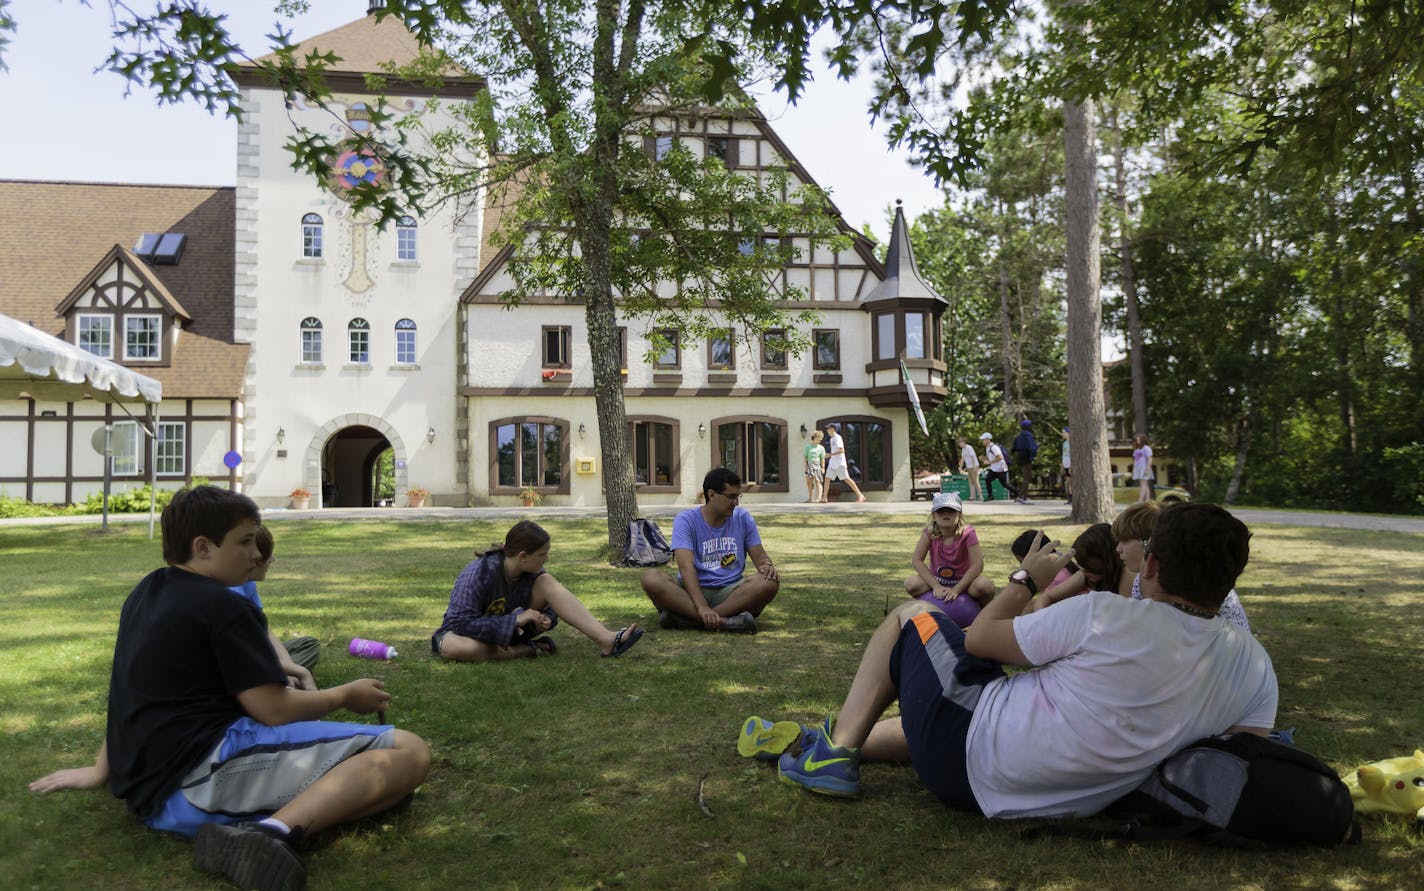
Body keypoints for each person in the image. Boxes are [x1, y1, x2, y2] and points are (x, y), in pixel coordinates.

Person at [742, 502, 1277, 817]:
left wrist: (1027, 580)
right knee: (950, 700)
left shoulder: (1105, 615)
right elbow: (1227, 756)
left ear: (1151, 564)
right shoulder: (1255, 668)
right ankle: (829, 737)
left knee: (912, 618)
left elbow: (979, 640)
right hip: (1062, 794)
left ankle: (832, 758)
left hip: (971, 759)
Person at [29, 486, 431, 891]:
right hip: (203, 776)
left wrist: (103, 769)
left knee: (384, 788)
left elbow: (131, 696)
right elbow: (272, 709)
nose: (258, 553)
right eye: (244, 542)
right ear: (203, 547)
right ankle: (267, 835)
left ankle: (282, 814)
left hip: (153, 798)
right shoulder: (224, 606)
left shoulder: (146, 592)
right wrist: (345, 695)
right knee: (408, 751)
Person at [433, 520, 644, 660]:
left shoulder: (535, 572)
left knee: (547, 581)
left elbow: (553, 606)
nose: (547, 559)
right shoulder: (478, 573)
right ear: (522, 556)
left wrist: (546, 618)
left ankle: (606, 640)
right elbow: (459, 623)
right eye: (542, 554)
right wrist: (515, 620)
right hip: (472, 637)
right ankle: (525, 650)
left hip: (511, 634)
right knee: (450, 646)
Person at [641, 467, 779, 633]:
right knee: (651, 578)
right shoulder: (685, 520)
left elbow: (761, 557)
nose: (736, 502)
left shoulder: (743, 517)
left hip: (731, 593)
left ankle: (689, 620)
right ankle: (727, 622)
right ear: (712, 495)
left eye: (738, 496)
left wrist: (766, 566)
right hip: (690, 593)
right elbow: (686, 567)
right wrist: (702, 607)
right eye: (731, 497)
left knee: (769, 582)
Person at [1113, 502, 1251, 631]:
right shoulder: (1139, 582)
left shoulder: (1190, 582)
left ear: (1151, 541)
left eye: (1125, 540)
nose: (1118, 548)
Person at [231, 524, 318, 690]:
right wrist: (294, 671)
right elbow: (246, 652)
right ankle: (276, 681)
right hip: (244, 661)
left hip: (257, 655)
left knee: (309, 644)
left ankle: (281, 678)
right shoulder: (230, 594)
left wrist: (290, 667)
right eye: (267, 555)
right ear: (254, 559)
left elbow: (263, 629)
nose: (273, 559)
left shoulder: (247, 583)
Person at [902, 492, 995, 628]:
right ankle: (926, 609)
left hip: (965, 583)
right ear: (934, 515)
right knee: (911, 583)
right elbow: (917, 560)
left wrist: (957, 589)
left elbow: (977, 564)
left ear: (959, 514)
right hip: (938, 581)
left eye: (951, 511)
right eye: (941, 511)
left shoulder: (968, 533)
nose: (946, 514)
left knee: (985, 586)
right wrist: (936, 586)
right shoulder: (929, 533)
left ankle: (985, 615)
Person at [1033, 523, 1132, 609]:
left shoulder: (1126, 577)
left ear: (1107, 560)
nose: (1083, 570)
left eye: (1089, 566)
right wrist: (1043, 618)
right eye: (1082, 565)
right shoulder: (1086, 575)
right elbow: (1046, 598)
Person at [822, 422, 866, 503]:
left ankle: (860, 495)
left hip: (839, 463)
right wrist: (831, 456)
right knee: (827, 478)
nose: (827, 430)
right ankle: (824, 498)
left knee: (847, 479)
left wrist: (830, 455)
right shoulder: (831, 439)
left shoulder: (838, 438)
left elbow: (842, 450)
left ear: (833, 429)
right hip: (833, 463)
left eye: (828, 428)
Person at [979, 432, 1013, 501]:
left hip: (1001, 468)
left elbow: (1000, 457)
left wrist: (989, 462)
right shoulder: (987, 447)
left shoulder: (994, 447)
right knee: (987, 480)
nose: (982, 441)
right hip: (994, 468)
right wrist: (984, 459)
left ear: (988, 440)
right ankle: (990, 496)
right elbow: (992, 458)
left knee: (1005, 484)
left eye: (983, 439)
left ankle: (1018, 494)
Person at [1009, 420, 1037, 504]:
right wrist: (1033, 455)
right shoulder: (1028, 435)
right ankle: (1023, 498)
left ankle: (1020, 496)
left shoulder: (1019, 436)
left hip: (1020, 456)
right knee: (1027, 477)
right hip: (1026, 456)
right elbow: (1031, 447)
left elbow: (1013, 448)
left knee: (1026, 477)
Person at [803, 429, 827, 503]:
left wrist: (823, 467)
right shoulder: (807, 447)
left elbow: (822, 458)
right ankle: (810, 498)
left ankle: (819, 498)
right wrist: (806, 467)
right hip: (810, 465)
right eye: (819, 437)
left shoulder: (821, 448)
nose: (820, 439)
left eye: (821, 438)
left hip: (817, 465)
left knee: (818, 481)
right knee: (809, 482)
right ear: (815, 437)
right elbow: (805, 457)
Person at [957, 436, 983, 502]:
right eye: (959, 443)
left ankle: (980, 496)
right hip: (969, 467)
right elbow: (963, 458)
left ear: (964, 442)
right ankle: (972, 496)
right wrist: (960, 467)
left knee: (976, 481)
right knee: (971, 482)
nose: (960, 444)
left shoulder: (969, 448)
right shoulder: (963, 449)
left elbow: (972, 457)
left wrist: (974, 467)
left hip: (974, 466)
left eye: (961, 442)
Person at [1132, 433, 1155, 503]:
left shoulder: (1146, 448)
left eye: (1138, 440)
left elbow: (1150, 459)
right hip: (1138, 468)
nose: (1137, 441)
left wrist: (1147, 469)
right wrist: (1133, 470)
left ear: (1142, 440)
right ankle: (1147, 499)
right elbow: (1135, 461)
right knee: (1145, 484)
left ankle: (1140, 500)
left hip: (1144, 468)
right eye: (1136, 440)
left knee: (1143, 484)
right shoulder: (1137, 450)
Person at [1059, 426, 1071, 505]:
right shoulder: (1064, 444)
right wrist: (1062, 465)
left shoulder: (1072, 442)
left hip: (1071, 464)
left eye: (1064, 432)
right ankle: (1069, 498)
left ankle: (1072, 498)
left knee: (1072, 482)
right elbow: (1064, 454)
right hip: (1065, 464)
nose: (1062, 434)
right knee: (1068, 482)